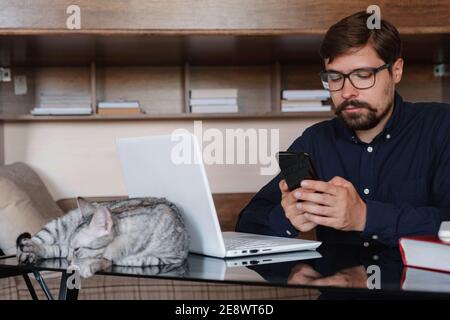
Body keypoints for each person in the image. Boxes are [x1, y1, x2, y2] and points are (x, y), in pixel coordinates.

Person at [235, 11, 450, 247]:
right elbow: (248, 225)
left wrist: (365, 217)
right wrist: (287, 219)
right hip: (330, 282)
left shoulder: (441, 126)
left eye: (363, 75)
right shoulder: (316, 140)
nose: (347, 92)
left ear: (395, 71)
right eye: (335, 77)